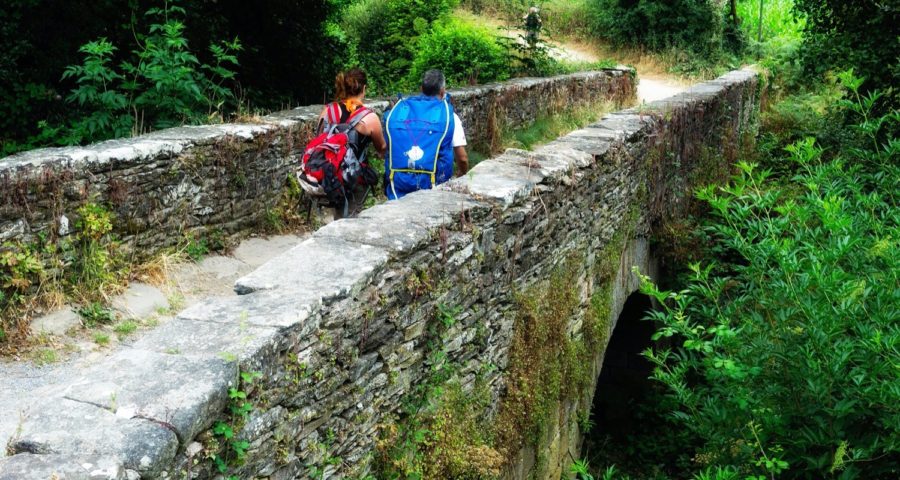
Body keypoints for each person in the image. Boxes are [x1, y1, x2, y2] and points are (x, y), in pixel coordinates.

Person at [305, 68, 386, 217]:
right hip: (354, 178)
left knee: (337, 216)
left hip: (328, 176)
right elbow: (381, 147)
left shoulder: (328, 111)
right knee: (352, 218)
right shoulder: (369, 117)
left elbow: (320, 138)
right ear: (364, 89)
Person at [383, 69, 469, 200]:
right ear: (442, 91)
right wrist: (462, 175)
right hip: (435, 188)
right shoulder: (449, 116)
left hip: (398, 188)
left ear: (421, 88)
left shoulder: (398, 113)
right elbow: (462, 158)